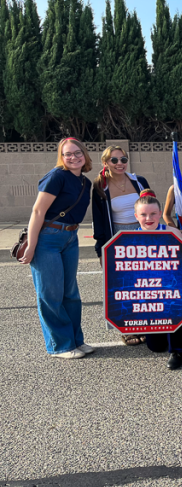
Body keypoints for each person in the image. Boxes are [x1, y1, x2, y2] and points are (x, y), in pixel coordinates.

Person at [21, 138, 94, 359]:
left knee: (71, 293)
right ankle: (60, 346)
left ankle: (75, 341)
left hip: (71, 236)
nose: (73, 157)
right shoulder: (56, 177)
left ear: (84, 154)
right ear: (61, 158)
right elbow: (37, 212)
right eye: (67, 154)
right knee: (50, 294)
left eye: (77, 152)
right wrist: (32, 246)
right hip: (48, 238)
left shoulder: (85, 182)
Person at [92, 145, 151, 346]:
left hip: (142, 235)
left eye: (123, 160)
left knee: (144, 282)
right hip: (117, 237)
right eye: (114, 160)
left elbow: (152, 206)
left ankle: (145, 323)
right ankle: (126, 327)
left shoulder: (139, 181)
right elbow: (98, 220)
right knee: (123, 285)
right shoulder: (100, 185)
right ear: (105, 163)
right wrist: (101, 248)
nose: (119, 164)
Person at [135, 190, 182, 370]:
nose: (148, 218)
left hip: (170, 289)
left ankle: (177, 350)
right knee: (155, 347)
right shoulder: (128, 239)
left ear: (160, 214)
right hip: (147, 292)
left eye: (153, 213)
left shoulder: (172, 233)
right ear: (136, 216)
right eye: (143, 214)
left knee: (173, 308)